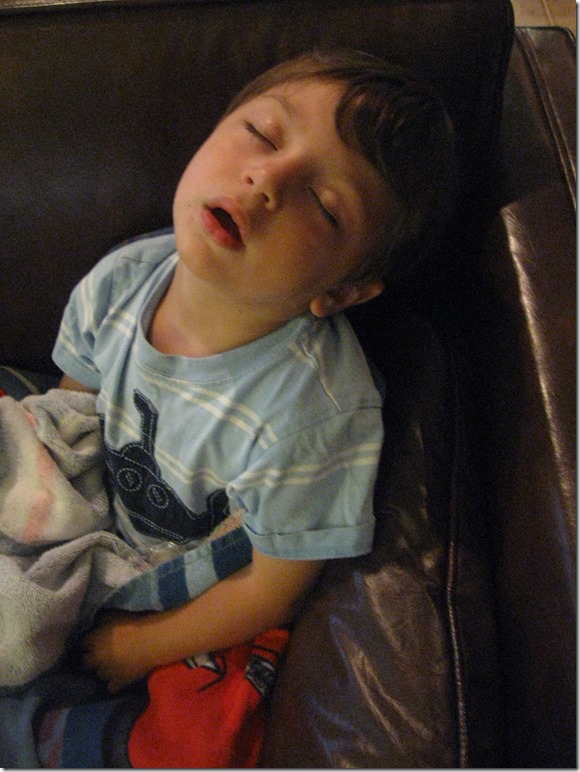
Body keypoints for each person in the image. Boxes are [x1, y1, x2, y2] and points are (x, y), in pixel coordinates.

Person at [53, 48, 458, 694]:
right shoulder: (122, 280)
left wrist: (139, 647)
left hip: (178, 591)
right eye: (262, 133)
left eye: (324, 205)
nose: (266, 178)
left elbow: (271, 591)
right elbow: (61, 422)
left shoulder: (317, 416)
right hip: (79, 528)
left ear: (342, 292)